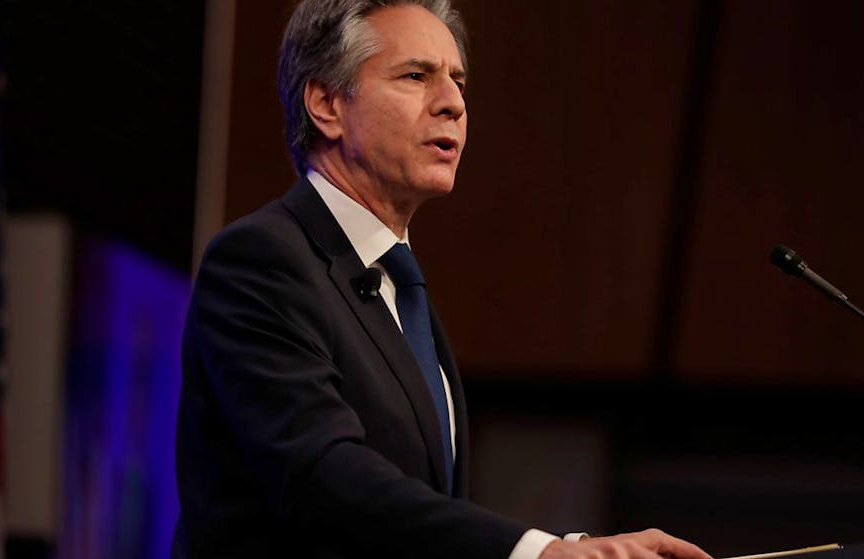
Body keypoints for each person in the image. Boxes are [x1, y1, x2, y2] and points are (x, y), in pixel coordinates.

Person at [174, 1, 713, 558]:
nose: (454, 103)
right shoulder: (261, 261)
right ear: (326, 104)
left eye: (458, 80)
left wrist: (576, 551)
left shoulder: (398, 288)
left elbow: (417, 516)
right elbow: (323, 475)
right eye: (415, 76)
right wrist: (538, 553)